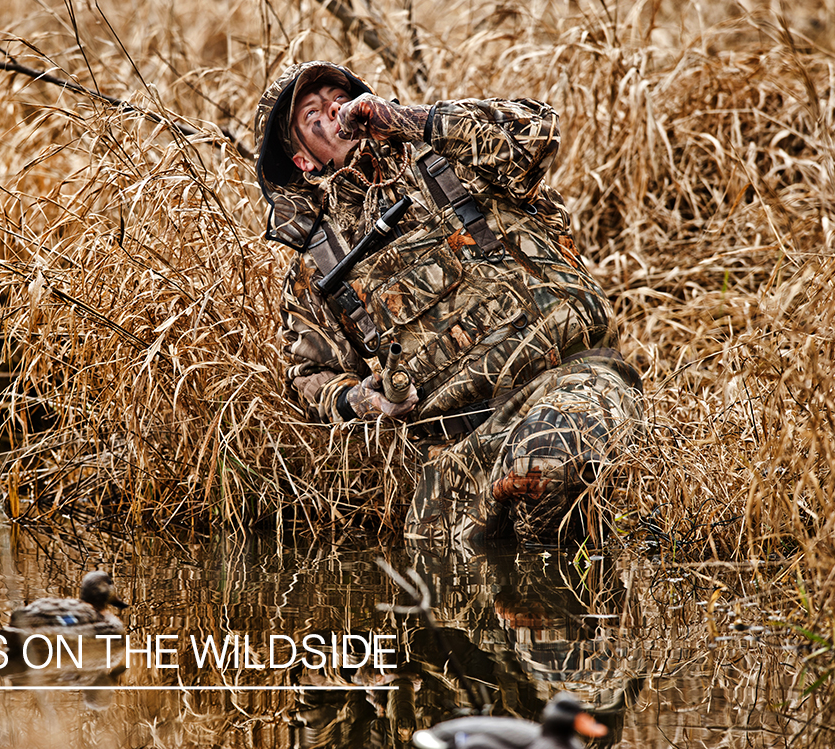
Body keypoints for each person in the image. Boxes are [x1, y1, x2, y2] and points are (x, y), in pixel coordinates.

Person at [253, 61, 642, 546]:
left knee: (544, 465)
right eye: (312, 112)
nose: (334, 109)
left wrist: (407, 120)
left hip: (567, 376)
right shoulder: (319, 264)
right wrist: (365, 398)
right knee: (446, 583)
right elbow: (311, 377)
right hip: (455, 450)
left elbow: (538, 130)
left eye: (339, 95)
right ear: (303, 160)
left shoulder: (445, 159)